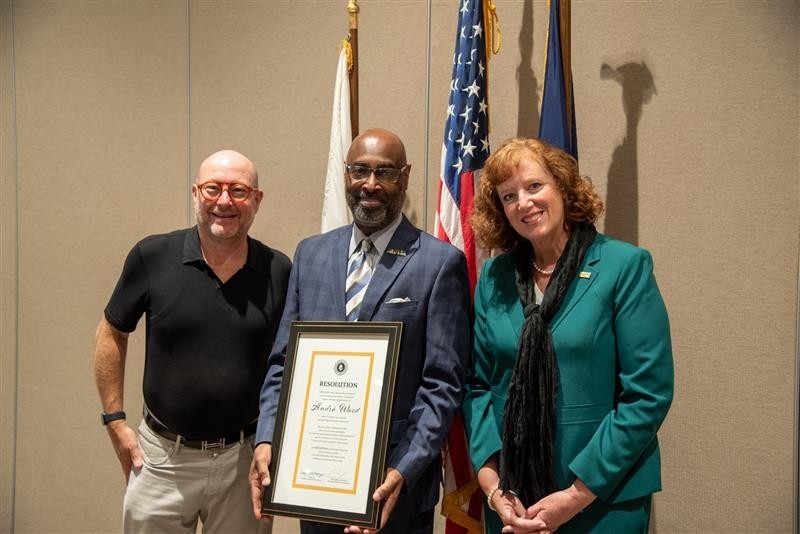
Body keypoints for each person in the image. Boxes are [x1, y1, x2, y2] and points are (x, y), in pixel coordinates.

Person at [249, 128, 471, 534]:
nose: (370, 184)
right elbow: (284, 363)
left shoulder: (440, 264)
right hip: (314, 481)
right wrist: (266, 437)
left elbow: (443, 383)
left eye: (384, 172)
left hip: (395, 489)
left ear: (403, 177)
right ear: (346, 175)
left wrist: (403, 469)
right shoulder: (310, 253)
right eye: (359, 171)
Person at [462, 138, 673, 534]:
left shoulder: (623, 266)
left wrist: (576, 494)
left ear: (562, 186)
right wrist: (492, 484)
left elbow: (647, 394)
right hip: (513, 500)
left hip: (602, 498)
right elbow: (476, 385)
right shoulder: (495, 277)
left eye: (534, 186)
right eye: (509, 196)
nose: (523, 203)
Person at [93, 149, 291, 533]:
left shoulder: (278, 270)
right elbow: (111, 331)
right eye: (212, 188)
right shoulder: (152, 255)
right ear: (195, 193)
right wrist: (115, 421)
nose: (224, 201)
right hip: (162, 461)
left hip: (243, 461)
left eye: (238, 190)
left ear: (256, 200)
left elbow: (290, 364)